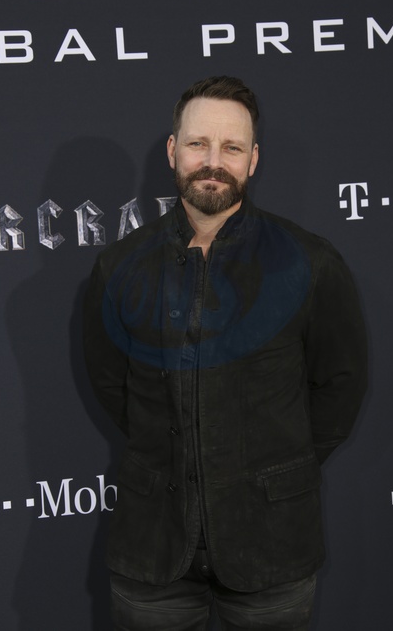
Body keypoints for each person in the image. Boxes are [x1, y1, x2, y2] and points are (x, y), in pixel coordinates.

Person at [83, 76, 368, 630]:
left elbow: (341, 385)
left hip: (273, 546)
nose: (213, 162)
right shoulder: (119, 268)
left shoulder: (309, 262)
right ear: (173, 150)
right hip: (153, 546)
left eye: (232, 148)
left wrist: (275, 471)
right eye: (198, 144)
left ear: (252, 160)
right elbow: (112, 385)